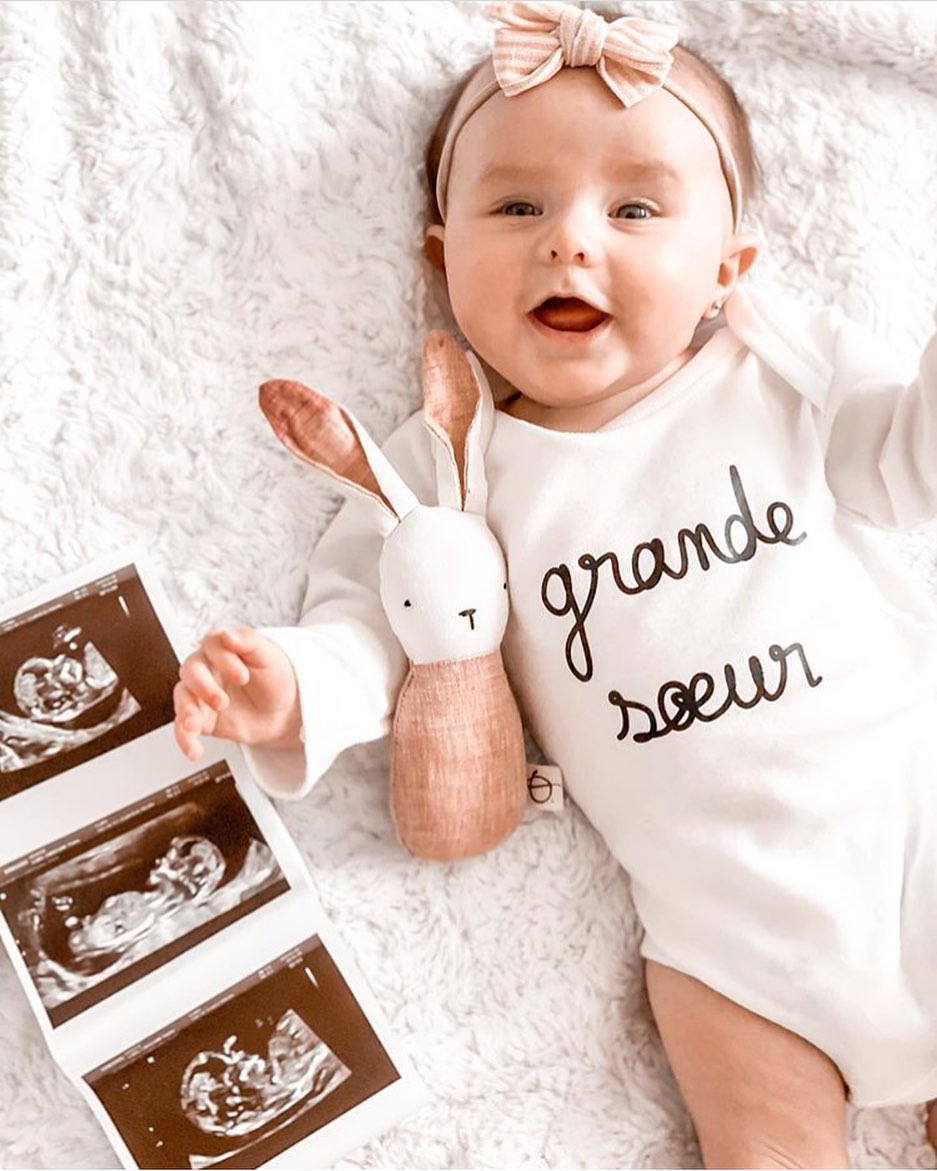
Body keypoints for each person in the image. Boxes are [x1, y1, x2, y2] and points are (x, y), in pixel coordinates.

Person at [172, 2, 937, 1166]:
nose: (569, 240)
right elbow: (381, 627)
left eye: (635, 209)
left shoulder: (784, 364)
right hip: (726, 941)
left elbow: (906, 459)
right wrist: (291, 686)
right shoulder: (448, 453)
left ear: (728, 267)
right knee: (761, 1134)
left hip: (909, 830)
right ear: (441, 259)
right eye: (515, 206)